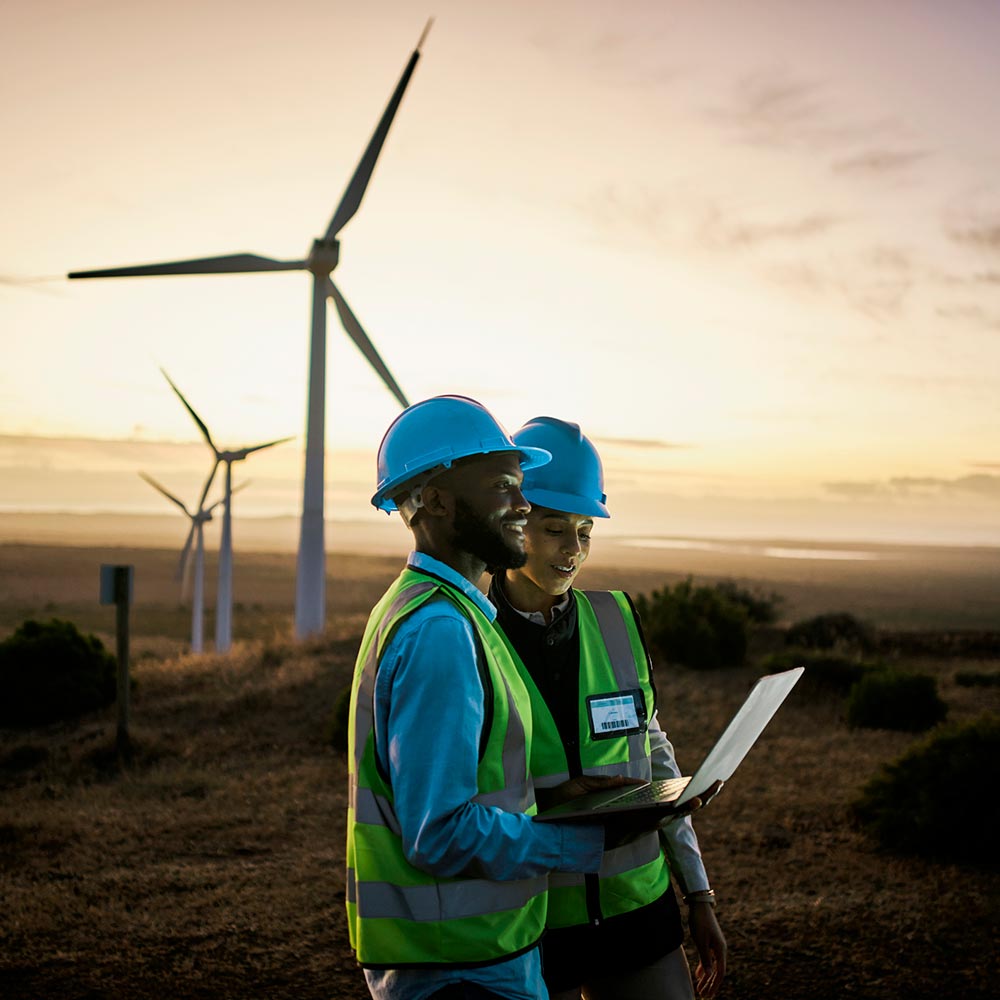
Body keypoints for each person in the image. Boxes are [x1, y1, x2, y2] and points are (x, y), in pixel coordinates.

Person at [347, 396, 640, 1000]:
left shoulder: (447, 613)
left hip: (473, 954)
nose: (523, 504)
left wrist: (553, 795)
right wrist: (572, 843)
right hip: (457, 969)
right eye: (504, 486)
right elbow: (440, 832)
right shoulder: (440, 632)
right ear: (436, 502)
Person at [487, 416, 728, 1000]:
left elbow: (655, 756)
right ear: (515, 523)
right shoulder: (469, 633)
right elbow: (453, 795)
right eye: (553, 529)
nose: (573, 550)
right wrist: (548, 800)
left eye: (585, 530)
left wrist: (698, 893)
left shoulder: (617, 619)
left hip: (638, 911)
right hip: (532, 921)